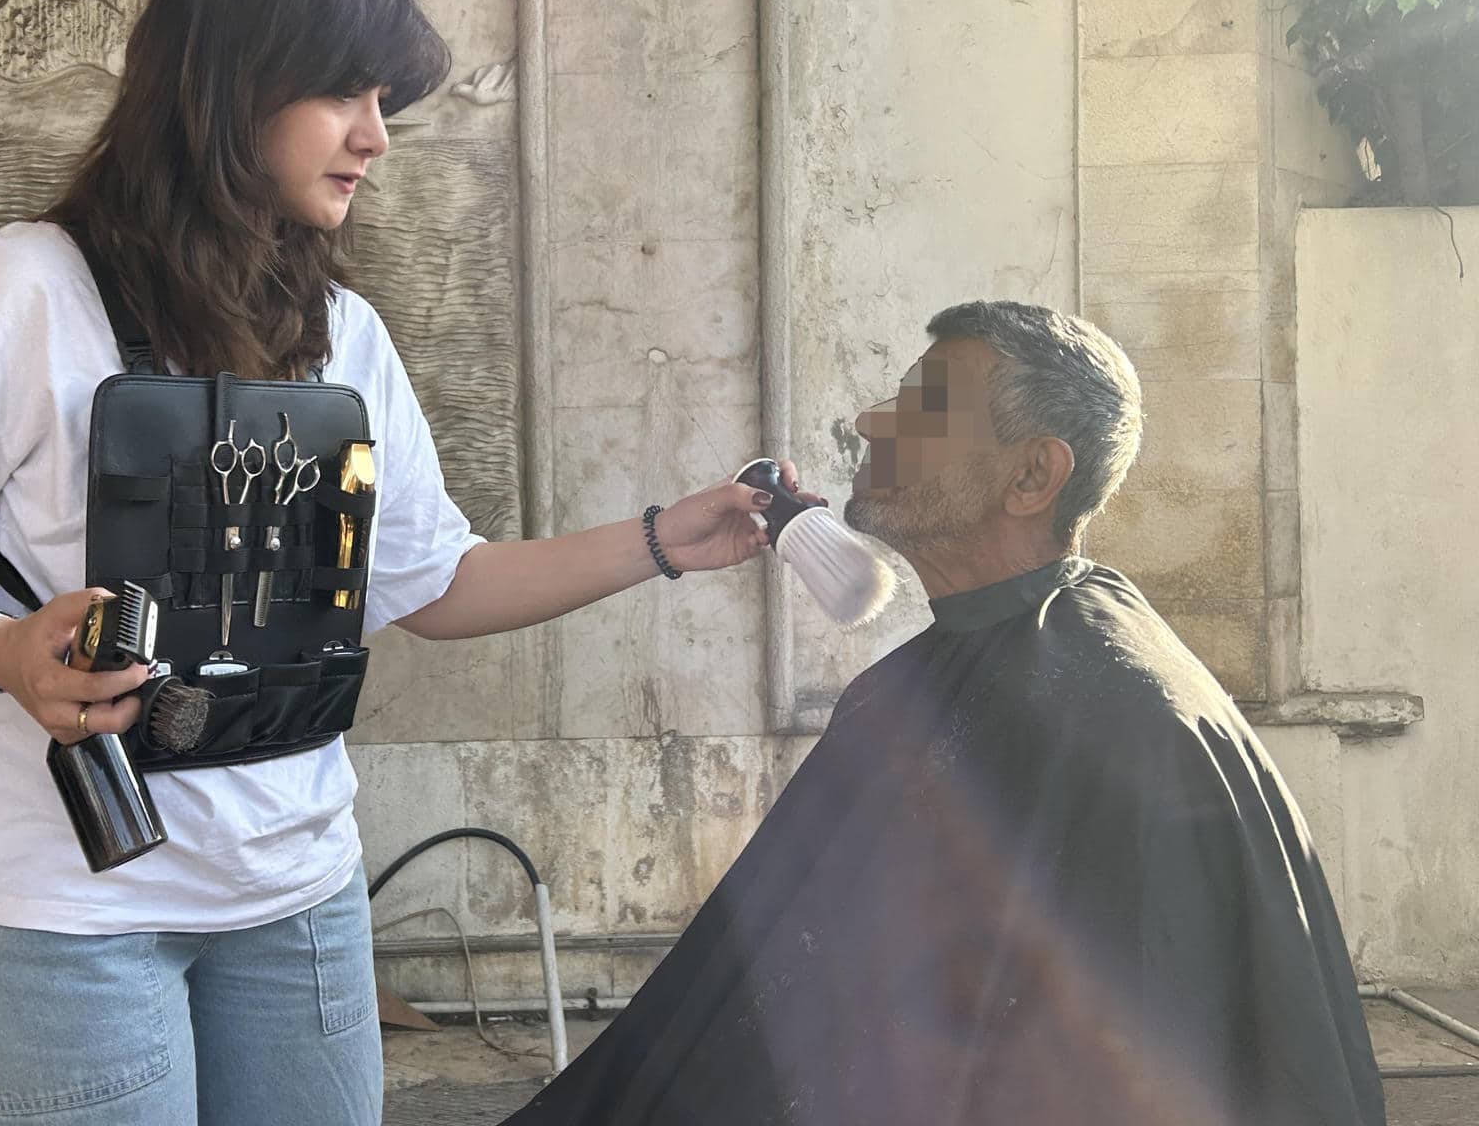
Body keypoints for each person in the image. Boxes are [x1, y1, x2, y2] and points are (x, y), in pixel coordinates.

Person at [0, 0, 798, 1126]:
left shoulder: (344, 334)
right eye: (346, 92)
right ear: (231, 86)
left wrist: (665, 539)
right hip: (64, 915)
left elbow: (435, 586)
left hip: (299, 905)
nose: (376, 137)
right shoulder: (22, 290)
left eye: (385, 101)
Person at [503, 301, 1384, 1126]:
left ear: (1034, 474)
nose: (870, 422)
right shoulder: (924, 682)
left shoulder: (1124, 723)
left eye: (924, 408)